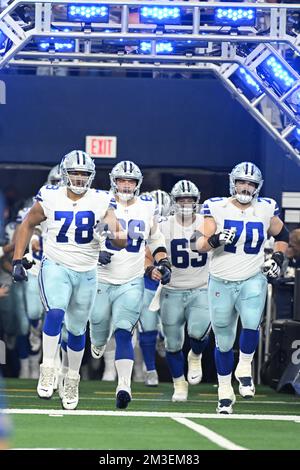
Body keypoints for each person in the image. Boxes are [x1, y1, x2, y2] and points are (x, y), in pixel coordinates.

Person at [12, 150, 126, 410]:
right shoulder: (50, 196)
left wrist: (109, 233)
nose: (78, 177)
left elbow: (121, 237)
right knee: (54, 312)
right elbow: (27, 223)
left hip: (86, 271)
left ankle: (72, 378)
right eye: (74, 172)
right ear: (65, 174)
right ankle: (47, 367)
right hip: (56, 266)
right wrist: (18, 259)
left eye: (84, 173)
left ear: (91, 176)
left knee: (76, 330)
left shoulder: (100, 199)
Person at [194, 161, 289, 414]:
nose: (246, 187)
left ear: (258, 187)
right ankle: (224, 391)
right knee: (223, 341)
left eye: (251, 183)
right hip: (221, 280)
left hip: (251, 278)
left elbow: (283, 236)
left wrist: (277, 258)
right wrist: (215, 239)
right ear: (232, 182)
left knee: (250, 322)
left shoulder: (266, 208)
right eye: (242, 182)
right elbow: (198, 243)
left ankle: (244, 366)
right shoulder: (216, 206)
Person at [89, 160, 171, 409]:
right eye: (122, 180)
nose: (126, 185)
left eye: (131, 181)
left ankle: (123, 385)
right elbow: (82, 236)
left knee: (124, 331)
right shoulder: (99, 201)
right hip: (102, 278)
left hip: (131, 280)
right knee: (99, 329)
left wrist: (163, 260)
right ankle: (98, 341)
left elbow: (155, 237)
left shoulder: (146, 207)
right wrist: (94, 254)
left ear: (137, 184)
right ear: (114, 182)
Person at [158, 180, 210, 401]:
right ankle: (179, 384)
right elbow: (151, 251)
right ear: (174, 201)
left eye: (190, 200)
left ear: (197, 202)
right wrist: (158, 266)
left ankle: (196, 354)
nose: (186, 204)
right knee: (172, 343)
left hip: (201, 288)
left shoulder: (208, 222)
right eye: (181, 199)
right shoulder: (162, 224)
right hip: (172, 290)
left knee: (198, 334)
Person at [138, 189, 171, 387]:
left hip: (171, 284)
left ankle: (162, 336)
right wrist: (149, 268)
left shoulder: (178, 227)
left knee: (173, 329)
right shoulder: (139, 223)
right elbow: (140, 254)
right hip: (148, 282)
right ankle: (150, 369)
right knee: (147, 328)